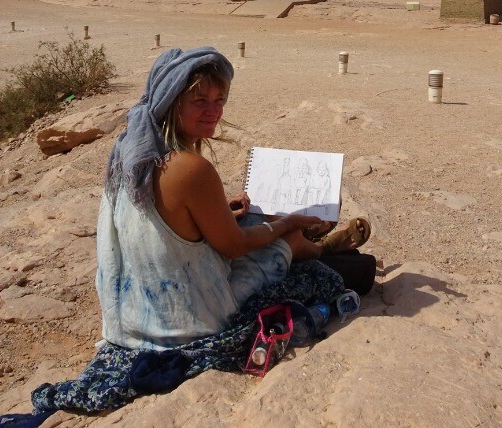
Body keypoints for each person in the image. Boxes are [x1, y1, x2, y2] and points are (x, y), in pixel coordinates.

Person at [97, 46, 370, 352]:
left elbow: (161, 222)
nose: (213, 111)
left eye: (219, 100)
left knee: (254, 216)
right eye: (200, 101)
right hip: (189, 318)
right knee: (286, 235)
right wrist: (285, 224)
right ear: (172, 102)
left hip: (132, 313)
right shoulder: (190, 168)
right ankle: (318, 247)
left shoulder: (131, 151)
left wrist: (220, 209)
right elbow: (234, 245)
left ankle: (307, 234)